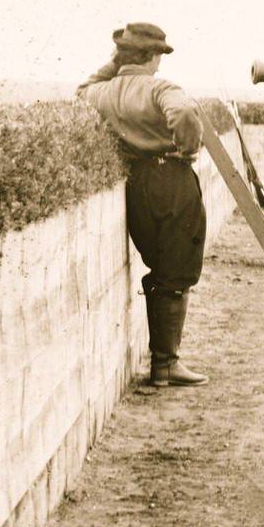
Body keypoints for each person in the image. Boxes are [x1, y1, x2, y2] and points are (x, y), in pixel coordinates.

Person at [77, 22, 210, 389]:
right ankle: (166, 365)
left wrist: (115, 62)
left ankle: (164, 365)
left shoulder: (101, 93)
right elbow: (183, 114)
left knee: (160, 265)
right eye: (158, 56)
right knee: (177, 267)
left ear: (121, 56)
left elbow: (82, 90)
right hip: (173, 180)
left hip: (138, 184)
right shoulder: (160, 88)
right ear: (153, 57)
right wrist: (188, 149)